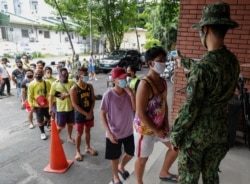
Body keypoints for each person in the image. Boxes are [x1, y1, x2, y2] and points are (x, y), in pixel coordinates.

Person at [170, 2, 240, 184]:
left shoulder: (202, 68)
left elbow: (190, 108)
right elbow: (211, 70)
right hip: (219, 132)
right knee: (211, 176)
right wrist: (183, 61)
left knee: (188, 179)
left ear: (205, 29)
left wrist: (176, 134)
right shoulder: (233, 61)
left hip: (196, 137)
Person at [133, 46, 178, 184]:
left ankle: (164, 172)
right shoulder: (144, 85)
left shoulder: (163, 82)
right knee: (142, 159)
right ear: (151, 63)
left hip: (160, 127)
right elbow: (140, 113)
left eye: (164, 60)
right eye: (160, 60)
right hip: (145, 130)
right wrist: (156, 130)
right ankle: (139, 182)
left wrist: (165, 124)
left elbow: (164, 104)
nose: (163, 63)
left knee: (176, 147)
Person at [100, 67, 135, 184]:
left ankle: (122, 165)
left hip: (128, 131)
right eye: (121, 78)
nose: (124, 80)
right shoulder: (108, 95)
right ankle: (115, 177)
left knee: (131, 152)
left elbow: (135, 109)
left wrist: (131, 95)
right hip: (114, 133)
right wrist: (109, 133)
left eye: (125, 77)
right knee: (114, 157)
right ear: (114, 80)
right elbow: (103, 114)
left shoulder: (128, 93)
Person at [70, 67, 98, 162]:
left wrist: (90, 112)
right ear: (79, 76)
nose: (86, 76)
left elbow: (93, 100)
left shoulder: (90, 86)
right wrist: (86, 113)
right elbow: (74, 105)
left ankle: (88, 147)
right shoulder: (74, 88)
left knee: (88, 131)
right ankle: (77, 151)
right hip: (80, 114)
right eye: (84, 75)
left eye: (87, 74)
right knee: (79, 133)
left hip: (89, 113)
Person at [49, 68, 75, 144]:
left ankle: (69, 138)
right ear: (59, 75)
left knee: (70, 124)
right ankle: (54, 139)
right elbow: (51, 96)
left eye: (67, 74)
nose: (66, 75)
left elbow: (77, 92)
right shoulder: (55, 84)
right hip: (61, 109)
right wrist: (50, 108)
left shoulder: (72, 82)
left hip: (71, 108)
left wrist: (68, 95)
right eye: (64, 74)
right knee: (60, 126)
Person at [28, 69, 51, 140]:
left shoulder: (47, 82)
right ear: (34, 74)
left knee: (49, 118)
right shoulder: (32, 84)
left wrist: (52, 102)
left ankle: (45, 125)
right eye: (36, 74)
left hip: (47, 104)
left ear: (43, 74)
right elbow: (30, 95)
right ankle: (42, 133)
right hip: (38, 106)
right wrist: (31, 105)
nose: (38, 75)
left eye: (40, 73)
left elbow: (50, 93)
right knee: (39, 120)